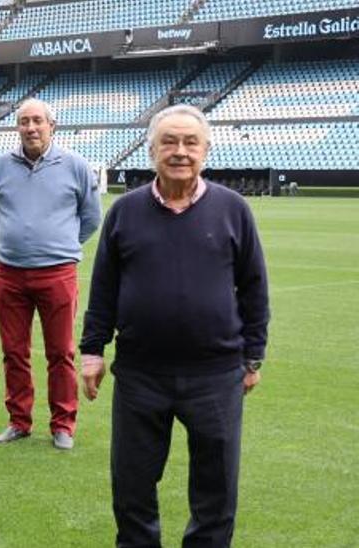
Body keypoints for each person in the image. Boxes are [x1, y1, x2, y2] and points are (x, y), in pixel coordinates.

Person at [80, 104, 270, 547]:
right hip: (141, 375)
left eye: (190, 142)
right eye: (169, 141)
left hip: (217, 375)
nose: (180, 151)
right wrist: (92, 351)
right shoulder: (125, 211)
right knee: (132, 486)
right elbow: (104, 287)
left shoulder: (233, 209)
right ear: (151, 151)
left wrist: (253, 355)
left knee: (216, 491)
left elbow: (254, 287)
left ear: (206, 151)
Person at [0, 98, 101, 450]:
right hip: (10, 274)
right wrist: (15, 244)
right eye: (23, 122)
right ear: (16, 127)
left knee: (60, 352)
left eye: (37, 121)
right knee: (13, 352)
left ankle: (63, 424)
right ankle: (19, 421)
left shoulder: (76, 166)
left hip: (58, 274)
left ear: (52, 125)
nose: (30, 128)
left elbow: (91, 217)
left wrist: (60, 245)